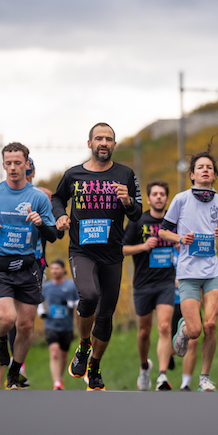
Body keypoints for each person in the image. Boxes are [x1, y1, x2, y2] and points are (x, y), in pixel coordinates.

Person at [52, 122, 142, 391]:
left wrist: (128, 202)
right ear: (89, 144)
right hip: (82, 250)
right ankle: (83, 345)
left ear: (114, 145)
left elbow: (137, 214)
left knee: (105, 316)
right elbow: (57, 199)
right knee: (89, 296)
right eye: (99, 138)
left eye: (109, 139)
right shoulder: (74, 175)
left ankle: (95, 365)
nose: (104, 142)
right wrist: (61, 216)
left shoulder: (125, 174)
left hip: (112, 253)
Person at [0, 142, 58, 390]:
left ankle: (14, 374)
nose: (13, 168)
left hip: (27, 268)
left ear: (27, 164)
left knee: (26, 325)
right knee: (7, 319)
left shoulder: (38, 197)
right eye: (8, 163)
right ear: (3, 165)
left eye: (18, 163)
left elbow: (52, 235)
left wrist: (40, 223)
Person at [160, 146, 218, 392]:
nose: (205, 170)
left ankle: (204, 378)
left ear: (214, 175)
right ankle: (183, 329)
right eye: (200, 167)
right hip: (188, 274)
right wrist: (180, 239)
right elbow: (162, 230)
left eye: (209, 168)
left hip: (212, 272)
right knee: (195, 331)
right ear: (192, 174)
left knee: (210, 325)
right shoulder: (181, 200)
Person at [123, 179, 177, 391]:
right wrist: (143, 246)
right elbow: (122, 249)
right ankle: (145, 367)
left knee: (164, 327)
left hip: (166, 283)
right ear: (148, 198)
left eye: (162, 194)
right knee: (144, 332)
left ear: (167, 198)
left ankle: (162, 376)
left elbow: (181, 244)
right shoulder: (138, 221)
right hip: (142, 284)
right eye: (154, 194)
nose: (158, 197)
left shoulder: (173, 222)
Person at [41, 260, 79, 390]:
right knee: (54, 353)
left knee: (63, 356)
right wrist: (41, 312)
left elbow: (79, 302)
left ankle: (60, 379)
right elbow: (39, 301)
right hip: (51, 325)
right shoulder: (46, 287)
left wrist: (69, 304)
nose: (54, 271)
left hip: (66, 326)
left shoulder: (71, 286)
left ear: (63, 270)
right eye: (52, 269)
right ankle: (56, 382)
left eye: (57, 268)